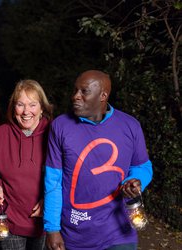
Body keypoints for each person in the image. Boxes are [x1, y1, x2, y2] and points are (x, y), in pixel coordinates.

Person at [43, 70, 153, 250]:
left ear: (103, 95)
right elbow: (53, 181)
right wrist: (52, 228)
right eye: (75, 90)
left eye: (84, 91)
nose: (75, 96)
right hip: (75, 233)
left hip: (119, 231)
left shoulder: (130, 125)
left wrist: (137, 180)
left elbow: (142, 166)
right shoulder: (60, 126)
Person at [0, 79, 53, 249]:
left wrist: (50, 200)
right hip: (10, 219)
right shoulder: (1, 134)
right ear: (13, 108)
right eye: (20, 105)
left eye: (32, 105)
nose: (26, 111)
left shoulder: (54, 134)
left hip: (45, 221)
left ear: (42, 108)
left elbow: (67, 173)